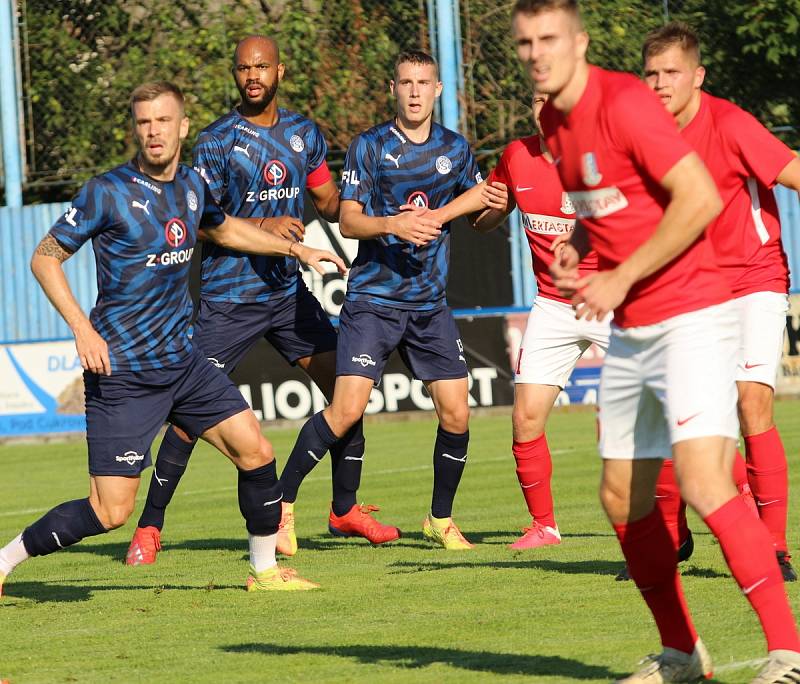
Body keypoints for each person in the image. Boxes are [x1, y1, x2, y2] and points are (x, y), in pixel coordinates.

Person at [512, 1, 800, 681]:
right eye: (524, 42)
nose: (535, 53)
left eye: (548, 38)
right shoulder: (553, 120)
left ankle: (788, 652)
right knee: (622, 498)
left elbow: (697, 199)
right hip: (633, 324)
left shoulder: (629, 105)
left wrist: (619, 278)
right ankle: (682, 653)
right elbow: (603, 207)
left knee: (702, 480)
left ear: (580, 43)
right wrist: (576, 249)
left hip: (694, 314)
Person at [0, 81, 347, 594]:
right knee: (110, 511)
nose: (153, 130)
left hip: (183, 364)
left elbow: (226, 229)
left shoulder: (189, 186)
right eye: (144, 122)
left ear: (182, 126)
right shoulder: (107, 191)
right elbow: (45, 257)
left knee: (256, 452)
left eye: (163, 120)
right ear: (135, 129)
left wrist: (296, 252)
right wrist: (82, 327)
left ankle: (265, 570)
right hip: (125, 374)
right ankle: (6, 560)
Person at [125, 36, 389, 565]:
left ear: (279, 70)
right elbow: (201, 222)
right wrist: (268, 225)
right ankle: (149, 527)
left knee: (347, 393)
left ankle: (344, 509)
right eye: (244, 67)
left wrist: (376, 194)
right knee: (189, 416)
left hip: (289, 294)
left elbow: (331, 202)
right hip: (230, 298)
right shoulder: (217, 140)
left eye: (262, 66)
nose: (253, 75)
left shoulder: (303, 134)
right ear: (235, 74)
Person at [280, 49, 482, 550]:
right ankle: (280, 507)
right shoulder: (369, 146)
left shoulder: (456, 150)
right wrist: (393, 223)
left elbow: (482, 214)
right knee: (346, 409)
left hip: (429, 306)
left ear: (438, 90)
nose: (414, 91)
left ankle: (439, 519)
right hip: (373, 300)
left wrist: (499, 205)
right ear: (393, 89)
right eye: (405, 83)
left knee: (457, 413)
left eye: (423, 83)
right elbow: (347, 220)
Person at [641, 20, 800, 583]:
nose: (660, 84)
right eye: (651, 73)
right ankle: (671, 534)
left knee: (751, 403)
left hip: (755, 278)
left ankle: (773, 547)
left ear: (698, 76)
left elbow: (794, 171)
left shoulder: (731, 123)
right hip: (690, 290)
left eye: (671, 73)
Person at [431, 91, 609, 549]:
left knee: (676, 409)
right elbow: (487, 220)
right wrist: (479, 208)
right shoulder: (517, 155)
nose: (545, 105)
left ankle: (739, 495)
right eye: (536, 98)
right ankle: (544, 526)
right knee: (525, 418)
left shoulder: (602, 154)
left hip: (612, 300)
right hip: (552, 304)